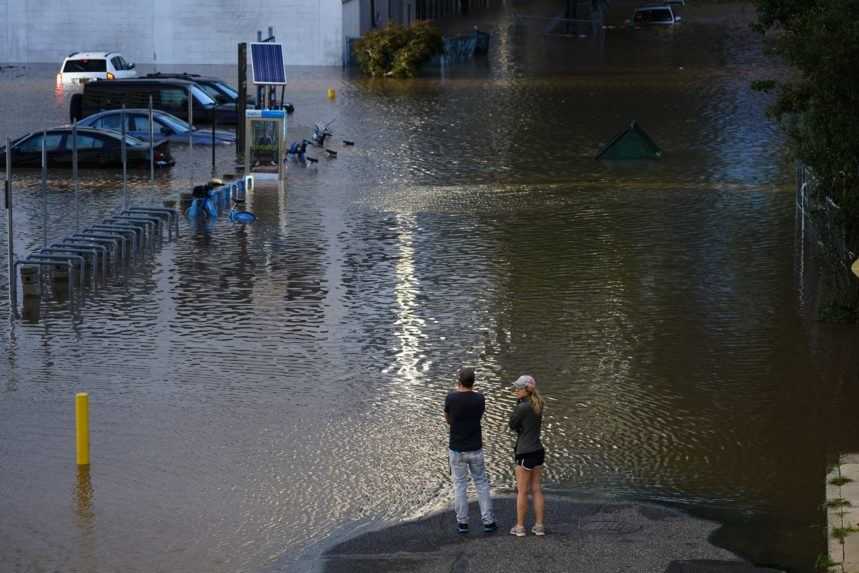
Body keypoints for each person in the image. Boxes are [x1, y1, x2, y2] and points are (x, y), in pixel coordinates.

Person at [444, 367, 496, 534]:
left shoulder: (451, 398)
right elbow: (478, 415)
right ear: (473, 382)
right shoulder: (480, 398)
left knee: (460, 485)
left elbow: (448, 420)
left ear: (459, 381)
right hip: (475, 447)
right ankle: (488, 522)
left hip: (457, 448)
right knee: (481, 483)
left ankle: (462, 523)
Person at [508, 374, 546, 537]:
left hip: (525, 452)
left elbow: (512, 424)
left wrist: (518, 404)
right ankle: (539, 526)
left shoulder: (522, 407)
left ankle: (520, 527)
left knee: (522, 491)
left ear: (526, 389)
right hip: (538, 451)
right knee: (536, 489)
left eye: (518, 388)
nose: (515, 390)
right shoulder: (539, 403)